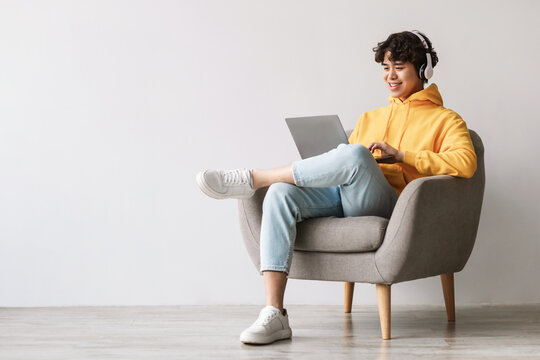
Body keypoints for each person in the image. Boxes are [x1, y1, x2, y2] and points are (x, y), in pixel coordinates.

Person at [196, 30, 477, 345]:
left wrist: (402, 156)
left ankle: (254, 178)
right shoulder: (370, 118)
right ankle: (274, 314)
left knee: (356, 155)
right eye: (385, 67)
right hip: (348, 195)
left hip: (393, 206)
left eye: (399, 66)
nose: (391, 75)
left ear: (424, 70)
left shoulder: (445, 119)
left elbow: (465, 162)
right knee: (280, 193)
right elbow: (347, 167)